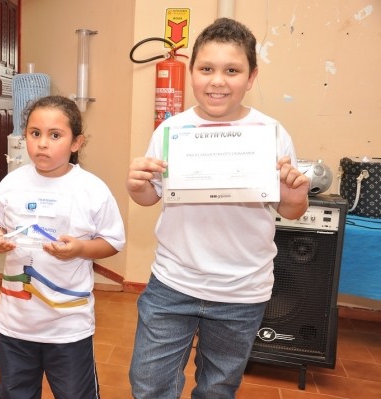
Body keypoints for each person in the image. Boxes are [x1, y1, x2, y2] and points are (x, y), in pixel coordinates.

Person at [126, 18, 309, 399]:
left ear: (251, 76)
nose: (218, 81)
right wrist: (137, 185)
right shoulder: (170, 131)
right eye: (206, 69)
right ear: (192, 72)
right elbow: (150, 197)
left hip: (242, 291)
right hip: (173, 282)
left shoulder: (272, 134)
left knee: (218, 388)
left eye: (232, 70)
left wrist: (294, 191)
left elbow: (291, 211)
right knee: (149, 384)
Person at [0, 95, 126, 399]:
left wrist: (80, 249)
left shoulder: (92, 189)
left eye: (55, 135)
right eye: (35, 134)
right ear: (25, 137)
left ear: (76, 143)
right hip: (16, 323)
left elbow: (113, 242)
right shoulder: (11, 183)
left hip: (68, 325)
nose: (43, 144)